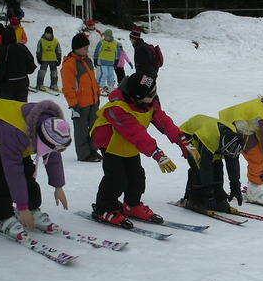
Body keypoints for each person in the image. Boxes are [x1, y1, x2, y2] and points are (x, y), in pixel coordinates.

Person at [0, 96, 71, 240]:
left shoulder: (51, 126)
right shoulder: (16, 132)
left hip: (6, 131)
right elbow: (13, 171)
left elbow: (52, 156)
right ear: (38, 139)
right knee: (1, 172)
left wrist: (58, 187)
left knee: (28, 169)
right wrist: (21, 206)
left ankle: (32, 209)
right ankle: (1, 217)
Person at [90, 73, 189, 227]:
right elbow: (135, 132)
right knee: (117, 178)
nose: (155, 96)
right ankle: (104, 208)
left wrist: (181, 140)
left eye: (155, 91)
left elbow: (163, 120)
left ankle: (132, 205)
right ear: (137, 96)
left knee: (137, 176)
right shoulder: (117, 108)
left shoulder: (148, 102)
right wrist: (157, 153)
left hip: (130, 143)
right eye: (151, 94)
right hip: (111, 144)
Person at [179, 114, 244, 213]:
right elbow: (205, 167)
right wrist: (209, 192)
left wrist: (235, 186)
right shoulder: (209, 138)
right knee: (198, 166)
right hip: (190, 134)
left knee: (217, 164)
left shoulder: (233, 138)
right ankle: (194, 199)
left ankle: (218, 198)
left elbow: (233, 163)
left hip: (211, 133)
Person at [61, 33, 102, 162]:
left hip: (93, 101)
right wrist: (73, 105)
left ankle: (93, 150)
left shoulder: (87, 60)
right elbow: (68, 87)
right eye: (84, 48)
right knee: (81, 130)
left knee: (95, 127)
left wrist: (97, 93)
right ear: (76, 48)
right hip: (80, 104)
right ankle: (84, 154)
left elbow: (93, 80)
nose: (87, 50)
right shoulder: (69, 64)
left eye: (87, 48)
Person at [0, 25, 36, 102]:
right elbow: (31, 65)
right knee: (20, 107)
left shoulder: (3, 50)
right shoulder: (22, 48)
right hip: (22, 82)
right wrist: (25, 72)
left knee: (6, 107)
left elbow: (0, 68)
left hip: (7, 84)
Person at [94, 29, 120, 94]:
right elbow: (97, 51)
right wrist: (95, 59)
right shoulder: (102, 42)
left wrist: (117, 60)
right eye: (104, 36)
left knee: (111, 74)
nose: (105, 37)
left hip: (111, 62)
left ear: (110, 36)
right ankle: (100, 87)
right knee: (104, 74)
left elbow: (117, 52)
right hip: (102, 62)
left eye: (107, 36)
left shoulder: (115, 43)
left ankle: (111, 86)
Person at [35, 26, 62, 90]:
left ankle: (54, 84)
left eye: (48, 33)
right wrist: (38, 58)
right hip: (44, 59)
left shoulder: (55, 41)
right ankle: (39, 84)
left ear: (51, 34)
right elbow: (39, 50)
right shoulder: (41, 41)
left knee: (54, 73)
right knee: (42, 72)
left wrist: (59, 58)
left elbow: (58, 50)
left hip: (53, 59)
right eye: (46, 33)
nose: (47, 34)